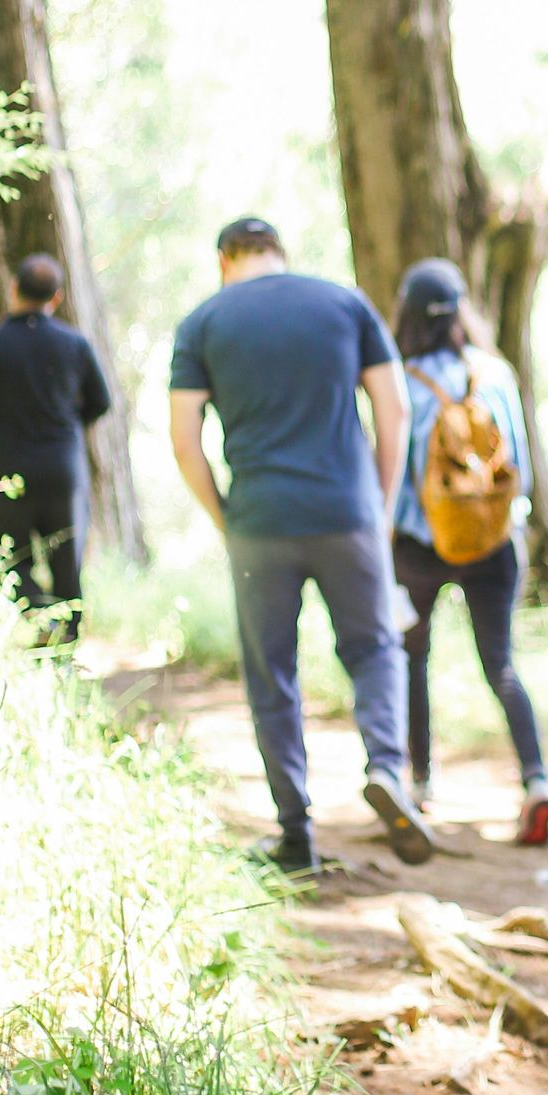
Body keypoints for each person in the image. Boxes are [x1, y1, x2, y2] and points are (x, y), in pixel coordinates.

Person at [169, 216, 431, 877]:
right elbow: (393, 407)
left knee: (272, 675)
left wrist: (222, 515)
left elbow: (183, 435)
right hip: (348, 513)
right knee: (374, 649)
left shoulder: (203, 321)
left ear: (225, 259)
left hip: (258, 520)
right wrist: (379, 501)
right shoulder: (344, 303)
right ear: (279, 254)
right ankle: (387, 767)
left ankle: (295, 834)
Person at [391, 259, 548, 847]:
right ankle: (536, 781)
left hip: (419, 545)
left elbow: (394, 475)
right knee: (502, 665)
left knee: (413, 657)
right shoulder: (495, 374)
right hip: (492, 543)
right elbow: (523, 472)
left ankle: (418, 780)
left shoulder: (398, 380)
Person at [0, 254, 111, 642]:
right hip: (63, 467)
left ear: (13, 288)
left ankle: (38, 628)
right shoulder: (74, 343)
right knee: (67, 561)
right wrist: (70, 422)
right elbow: (101, 402)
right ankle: (68, 645)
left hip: (10, 465)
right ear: (55, 298)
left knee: (15, 558)